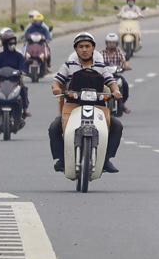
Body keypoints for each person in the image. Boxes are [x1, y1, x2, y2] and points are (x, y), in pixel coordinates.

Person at [49, 31, 123, 173]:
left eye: (87, 46)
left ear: (93, 48)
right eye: (81, 46)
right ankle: (61, 160)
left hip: (98, 105)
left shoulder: (101, 67)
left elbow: (111, 82)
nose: (84, 49)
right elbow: (56, 82)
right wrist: (56, 89)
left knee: (117, 126)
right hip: (73, 105)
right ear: (76, 49)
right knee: (54, 127)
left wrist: (116, 91)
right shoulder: (68, 65)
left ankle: (106, 159)